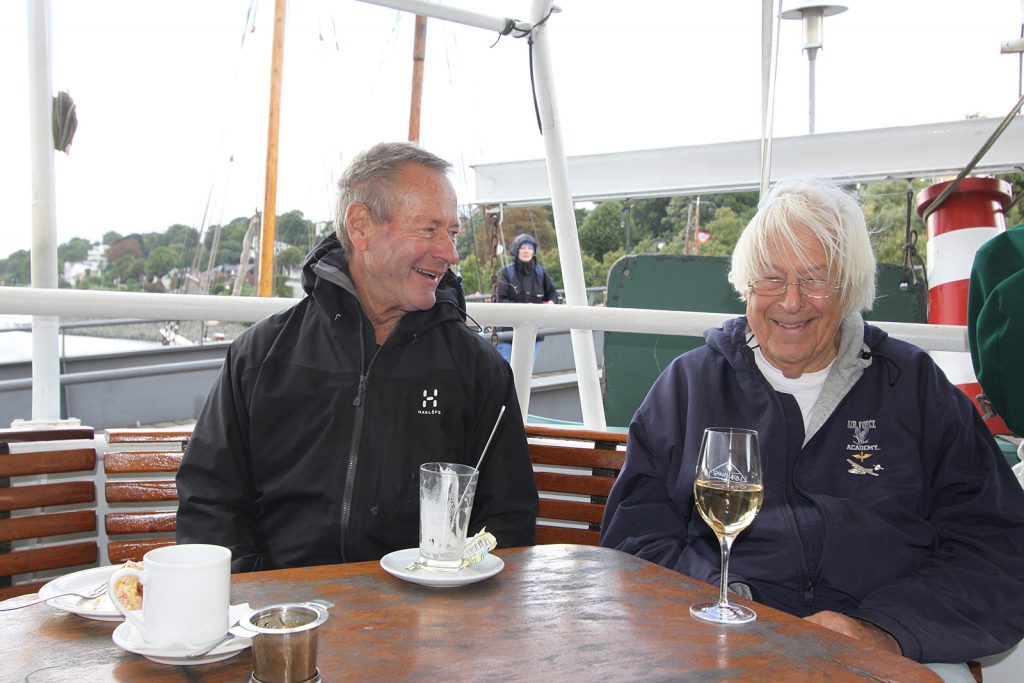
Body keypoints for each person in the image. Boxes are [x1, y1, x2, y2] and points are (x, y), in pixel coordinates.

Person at [600, 177, 1024, 680]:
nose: (791, 301)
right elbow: (634, 542)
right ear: (745, 285)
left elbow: (998, 550)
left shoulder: (915, 388)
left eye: (816, 278)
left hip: (896, 648)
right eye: (771, 278)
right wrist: (734, 603)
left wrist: (884, 629)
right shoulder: (689, 388)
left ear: (850, 288)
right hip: (721, 642)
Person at [176, 142, 538, 572]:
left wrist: (447, 589)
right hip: (280, 603)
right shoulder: (259, 356)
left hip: (422, 606)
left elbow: (506, 521)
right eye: (429, 230)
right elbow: (211, 502)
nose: (450, 253)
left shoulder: (478, 371)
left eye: (452, 233)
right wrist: (259, 592)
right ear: (360, 226)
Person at [497, 233, 559, 305]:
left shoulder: (541, 272)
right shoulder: (506, 273)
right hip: (514, 312)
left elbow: (553, 293)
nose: (526, 251)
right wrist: (524, 307)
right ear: (516, 251)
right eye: (523, 248)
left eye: (530, 248)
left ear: (533, 252)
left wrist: (551, 302)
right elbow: (500, 299)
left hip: (538, 311)